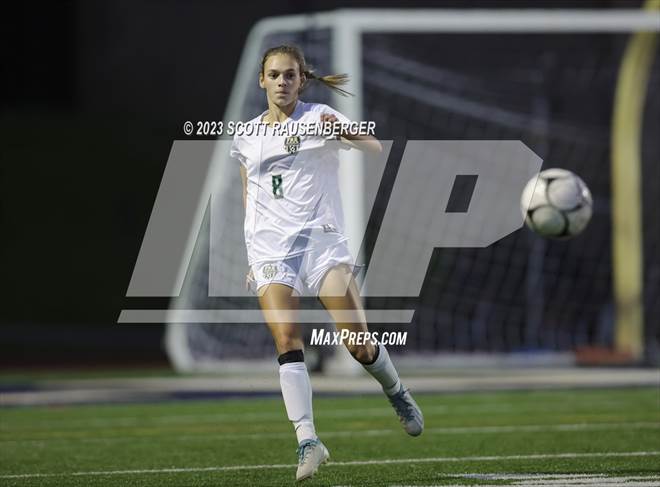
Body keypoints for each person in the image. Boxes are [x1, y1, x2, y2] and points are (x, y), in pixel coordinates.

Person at [230, 44, 423, 482]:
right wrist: (252, 255)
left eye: (290, 75)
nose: (282, 82)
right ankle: (308, 440)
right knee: (286, 338)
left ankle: (395, 390)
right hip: (270, 251)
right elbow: (249, 195)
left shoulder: (319, 116)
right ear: (262, 80)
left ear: (302, 80)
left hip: (322, 244)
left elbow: (374, 147)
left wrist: (345, 131)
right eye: (274, 75)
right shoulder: (247, 135)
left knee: (358, 345)